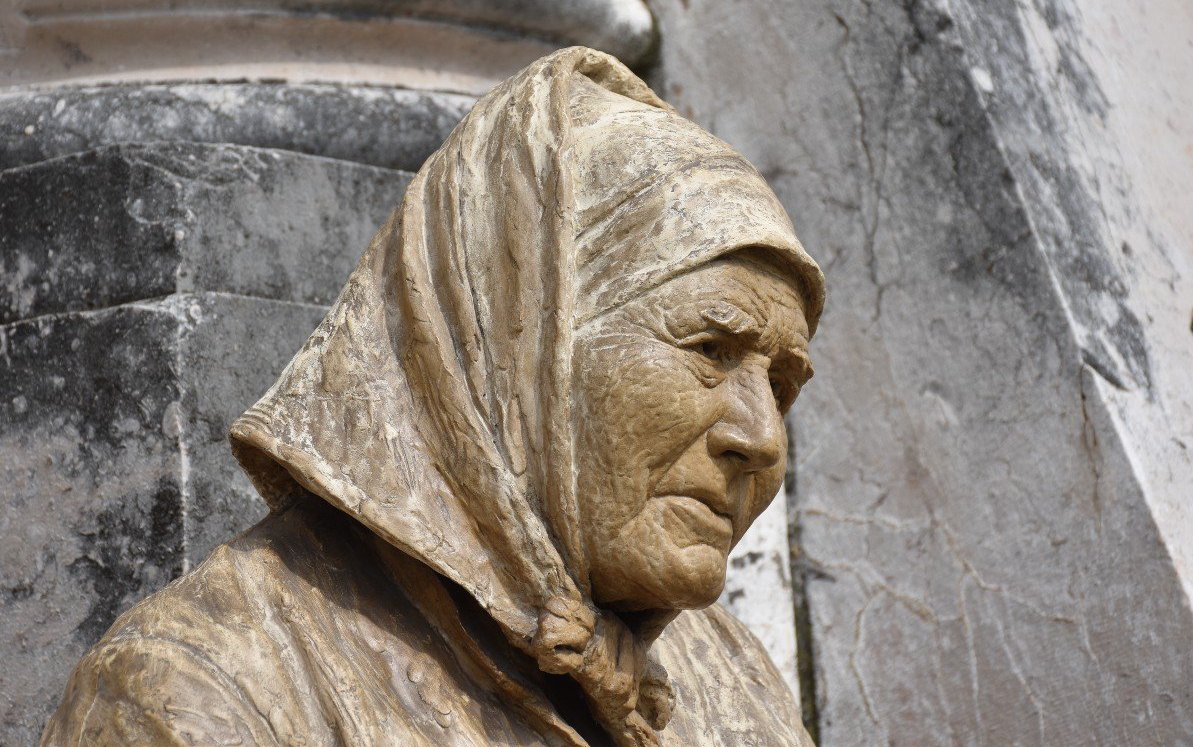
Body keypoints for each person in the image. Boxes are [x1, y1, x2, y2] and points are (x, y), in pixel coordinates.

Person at [41, 47, 824, 747]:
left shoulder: (735, 689)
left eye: (782, 385)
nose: (761, 437)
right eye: (711, 350)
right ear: (521, 340)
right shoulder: (203, 691)